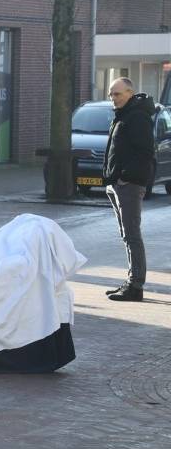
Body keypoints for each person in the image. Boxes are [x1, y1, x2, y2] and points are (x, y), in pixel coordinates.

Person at [103, 77, 156, 303]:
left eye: (118, 94)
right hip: (117, 184)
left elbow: (145, 152)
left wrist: (125, 178)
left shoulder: (137, 117)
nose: (113, 98)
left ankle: (135, 286)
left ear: (130, 93)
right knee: (127, 234)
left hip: (129, 185)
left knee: (132, 234)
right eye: (111, 94)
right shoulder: (123, 115)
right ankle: (131, 280)